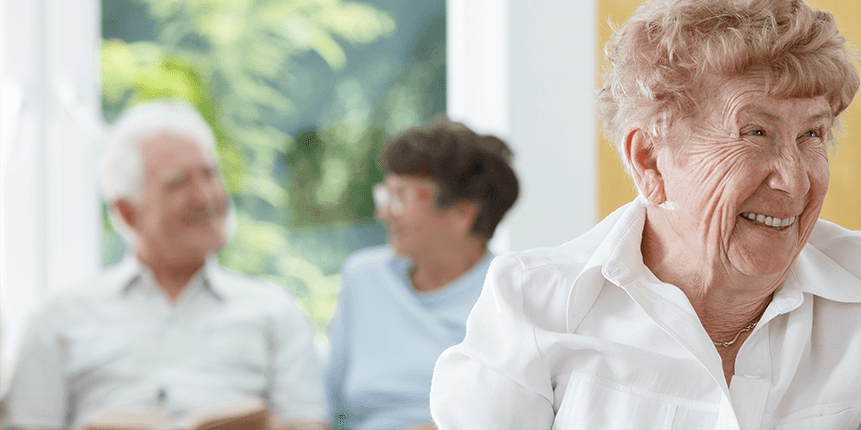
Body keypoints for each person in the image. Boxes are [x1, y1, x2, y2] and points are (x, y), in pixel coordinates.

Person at [428, 0, 861, 429]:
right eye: (754, 133)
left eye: (812, 134)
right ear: (650, 161)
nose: (794, 180)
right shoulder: (533, 305)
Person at [3, 101, 328, 429]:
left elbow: (308, 423)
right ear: (128, 213)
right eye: (178, 184)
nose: (205, 197)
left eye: (210, 174)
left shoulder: (276, 312)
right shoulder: (59, 318)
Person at [324, 118, 519, 430]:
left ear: (461, 213)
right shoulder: (364, 278)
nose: (383, 213)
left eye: (400, 197)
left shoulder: (511, 293)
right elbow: (328, 400)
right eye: (385, 195)